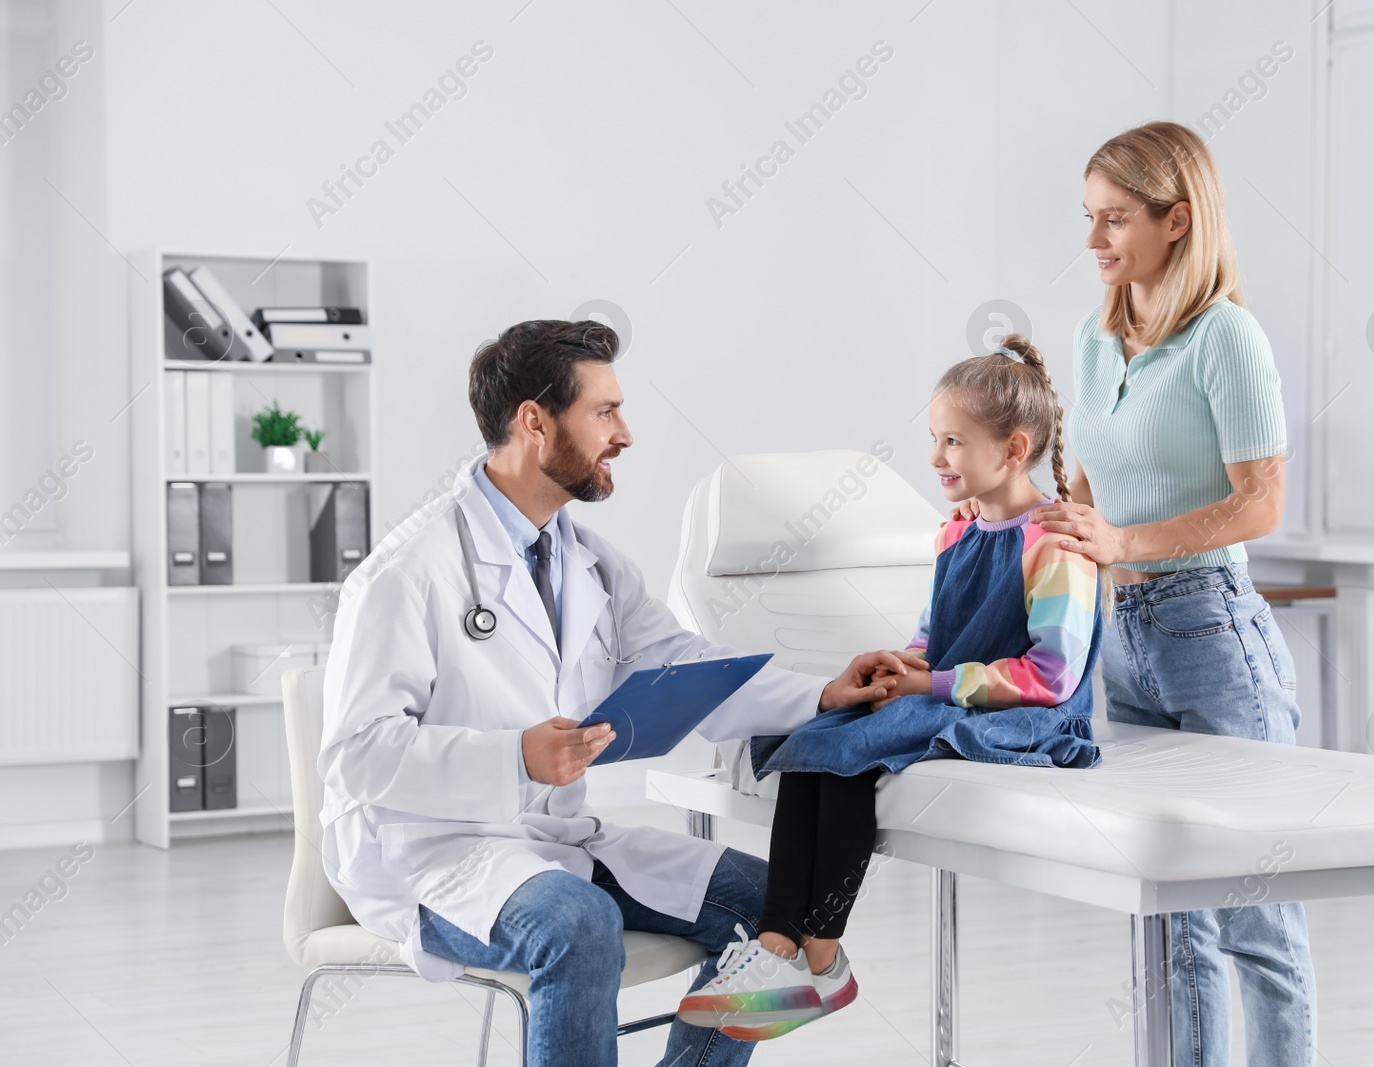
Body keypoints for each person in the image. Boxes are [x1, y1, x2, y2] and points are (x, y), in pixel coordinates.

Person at [318, 319, 914, 1067]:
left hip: (553, 841)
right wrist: (517, 757)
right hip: (432, 854)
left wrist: (821, 694)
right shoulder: (409, 569)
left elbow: (686, 671)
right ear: (534, 422)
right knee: (578, 924)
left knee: (773, 907)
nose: (625, 434)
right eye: (604, 412)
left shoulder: (590, 563)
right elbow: (355, 755)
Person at [675, 333, 1105, 1041]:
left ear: (1014, 449)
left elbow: (1051, 677)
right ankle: (789, 945)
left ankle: (814, 950)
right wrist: (900, 668)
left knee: (855, 749)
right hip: (950, 692)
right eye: (935, 439)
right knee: (814, 735)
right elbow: (932, 638)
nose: (936, 458)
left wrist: (927, 681)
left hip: (1029, 715)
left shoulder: (1053, 545)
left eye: (953, 442)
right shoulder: (954, 536)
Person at [1037, 121, 1317, 1064]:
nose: (1095, 240)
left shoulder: (1226, 338)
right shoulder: (1093, 336)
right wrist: (1060, 535)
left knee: (1252, 912)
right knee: (1170, 914)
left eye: (1115, 218)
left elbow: (1261, 501)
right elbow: (1092, 488)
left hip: (1211, 629)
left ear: (1179, 219)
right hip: (1126, 633)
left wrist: (1125, 541)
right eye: (1089, 217)